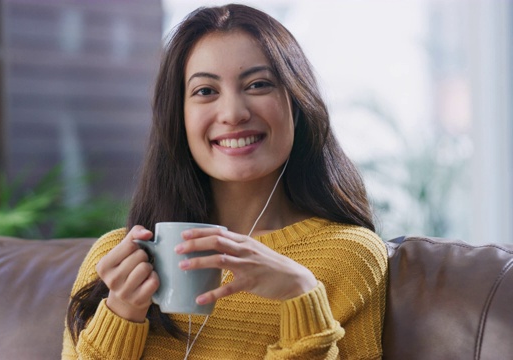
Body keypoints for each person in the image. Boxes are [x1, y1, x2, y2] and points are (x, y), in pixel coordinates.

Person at [62, 3, 387, 359]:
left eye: (258, 85)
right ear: (179, 117)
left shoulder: (349, 256)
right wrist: (122, 313)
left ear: (296, 103)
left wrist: (302, 298)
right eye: (205, 91)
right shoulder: (117, 259)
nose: (233, 113)